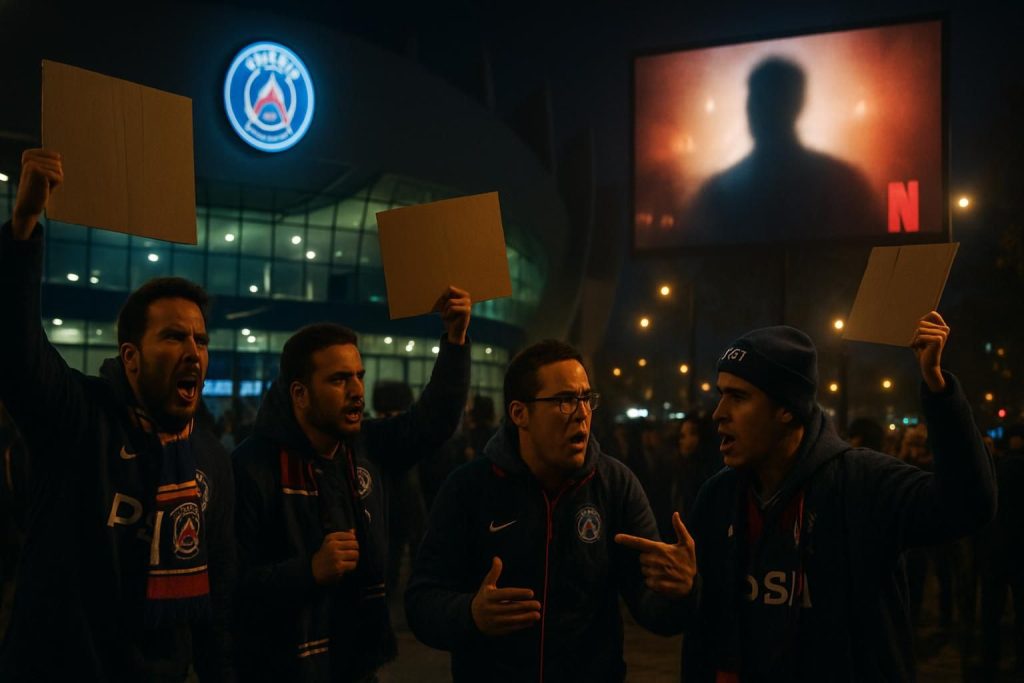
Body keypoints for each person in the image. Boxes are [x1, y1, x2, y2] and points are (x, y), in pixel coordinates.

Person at [0, 149, 236, 680]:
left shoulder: (210, 460)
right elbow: (17, 354)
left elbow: (218, 596)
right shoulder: (78, 418)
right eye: (174, 337)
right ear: (130, 357)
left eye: (200, 339)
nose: (193, 352)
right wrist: (23, 228)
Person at [681, 314, 995, 681]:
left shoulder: (863, 483)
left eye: (738, 396)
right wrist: (676, 592)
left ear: (786, 408)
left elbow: (968, 507)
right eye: (721, 394)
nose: (719, 414)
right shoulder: (717, 497)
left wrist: (940, 392)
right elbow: (700, 627)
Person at [405, 340, 694, 681]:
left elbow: (652, 611)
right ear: (519, 413)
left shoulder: (615, 485)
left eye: (586, 398)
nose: (582, 412)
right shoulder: (469, 488)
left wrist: (680, 591)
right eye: (565, 400)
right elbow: (422, 602)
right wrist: (471, 614)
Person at [232, 291, 471, 682]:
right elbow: (232, 588)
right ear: (300, 394)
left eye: (359, 376)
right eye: (339, 379)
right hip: (283, 668)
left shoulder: (367, 446)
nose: (357, 390)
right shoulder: (252, 467)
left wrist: (456, 340)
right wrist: (308, 571)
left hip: (358, 662)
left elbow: (434, 421)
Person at [686, 57, 878, 244]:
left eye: (769, 100)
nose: (757, 110)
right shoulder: (843, 181)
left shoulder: (718, 193)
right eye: (756, 99)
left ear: (796, 105)